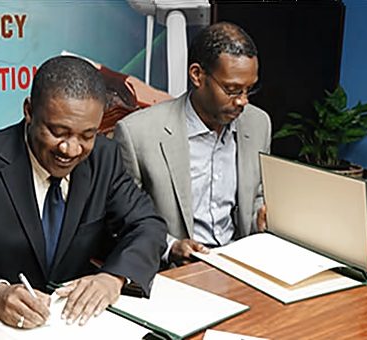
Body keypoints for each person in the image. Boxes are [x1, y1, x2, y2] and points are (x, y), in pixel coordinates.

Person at [0, 56, 168, 328]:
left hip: (75, 324)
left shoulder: (103, 157)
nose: (71, 149)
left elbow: (147, 225)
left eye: (87, 135)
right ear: (29, 111)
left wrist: (114, 278)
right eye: (58, 132)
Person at [115, 22, 271, 266]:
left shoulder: (258, 124)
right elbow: (122, 220)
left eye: (249, 89)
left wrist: (261, 221)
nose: (242, 101)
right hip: (174, 270)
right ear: (197, 75)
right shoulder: (137, 134)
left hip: (240, 265)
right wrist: (170, 247)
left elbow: (256, 198)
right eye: (232, 89)